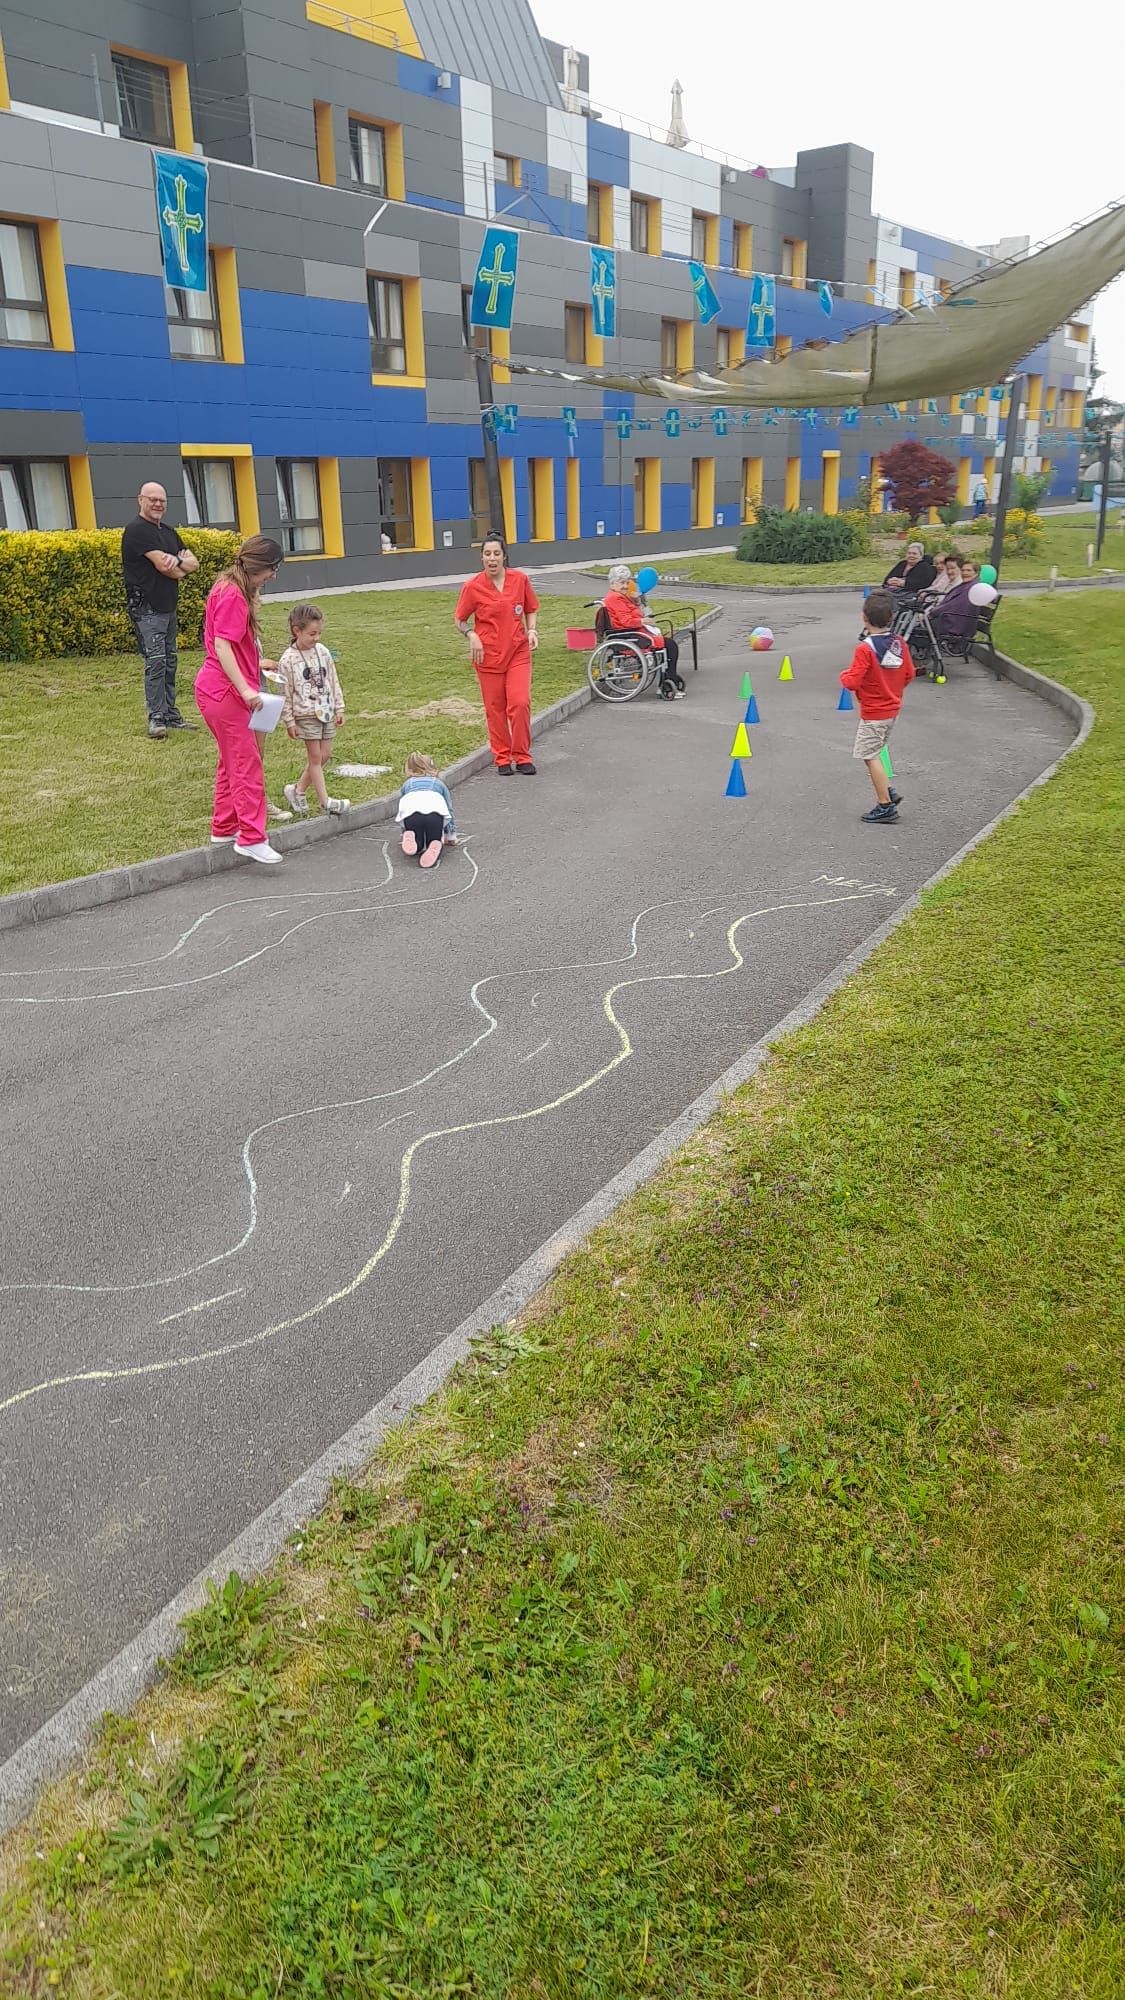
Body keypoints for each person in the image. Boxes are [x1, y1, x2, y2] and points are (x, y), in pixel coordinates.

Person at [194, 534, 286, 865]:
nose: (273, 576)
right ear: (260, 565)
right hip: (225, 693)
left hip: (217, 689)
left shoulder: (227, 586)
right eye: (272, 569)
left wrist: (253, 669)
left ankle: (224, 826)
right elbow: (223, 646)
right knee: (246, 762)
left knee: (230, 760)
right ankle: (251, 836)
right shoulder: (234, 595)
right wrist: (247, 690)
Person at [454, 532, 540, 775]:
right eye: (487, 554)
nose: (492, 559)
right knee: (496, 709)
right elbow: (460, 619)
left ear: (504, 556)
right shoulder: (472, 587)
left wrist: (532, 630)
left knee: (520, 703)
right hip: (488, 657)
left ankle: (522, 755)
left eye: (496, 554)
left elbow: (530, 608)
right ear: (481, 558)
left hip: (517, 652)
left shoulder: (520, 580)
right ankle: (502, 758)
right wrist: (472, 635)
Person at [121, 481, 200, 739]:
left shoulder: (167, 532)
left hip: (168, 607)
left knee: (169, 661)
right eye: (152, 499)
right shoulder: (136, 530)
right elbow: (165, 568)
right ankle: (156, 718)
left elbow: (193, 563)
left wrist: (177, 562)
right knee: (155, 662)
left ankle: (171, 715)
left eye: (162, 500)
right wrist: (179, 565)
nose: (157, 504)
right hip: (147, 608)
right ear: (140, 500)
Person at [838, 588, 915, 825]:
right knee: (874, 753)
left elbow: (852, 681)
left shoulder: (865, 649)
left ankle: (885, 805)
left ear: (864, 617)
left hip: (873, 712)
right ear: (892, 617)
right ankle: (887, 790)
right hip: (892, 709)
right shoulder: (899, 642)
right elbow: (909, 673)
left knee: (869, 754)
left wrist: (844, 675)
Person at [276, 604, 349, 818]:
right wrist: (289, 721)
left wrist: (339, 707)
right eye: (311, 634)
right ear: (296, 631)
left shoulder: (322, 651)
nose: (316, 638)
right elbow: (285, 693)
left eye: (319, 633)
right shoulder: (287, 660)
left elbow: (332, 680)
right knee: (315, 757)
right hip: (305, 714)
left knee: (326, 754)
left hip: (325, 710)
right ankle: (325, 801)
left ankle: (297, 790)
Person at [601, 562, 682, 694]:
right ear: (612, 584)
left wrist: (636, 603)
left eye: (627, 582)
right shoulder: (615, 598)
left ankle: (668, 679)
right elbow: (626, 621)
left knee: (668, 644)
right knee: (670, 645)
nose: (626, 586)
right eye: (622, 583)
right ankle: (668, 680)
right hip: (629, 635)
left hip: (631, 632)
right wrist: (643, 621)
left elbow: (631, 615)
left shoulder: (619, 596)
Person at [395, 752, 456, 870]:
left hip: (411, 814)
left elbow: (402, 807)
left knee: (416, 836)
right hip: (434, 813)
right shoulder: (438, 783)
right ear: (432, 767)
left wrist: (404, 830)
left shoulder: (407, 784)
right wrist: (451, 835)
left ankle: (411, 837)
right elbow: (449, 808)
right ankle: (434, 844)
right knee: (433, 837)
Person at [930, 558, 981, 644]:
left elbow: (952, 605)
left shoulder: (970, 588)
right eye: (963, 570)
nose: (965, 573)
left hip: (956, 624)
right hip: (955, 619)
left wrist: (934, 611)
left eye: (969, 570)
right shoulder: (966, 585)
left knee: (923, 623)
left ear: (976, 573)